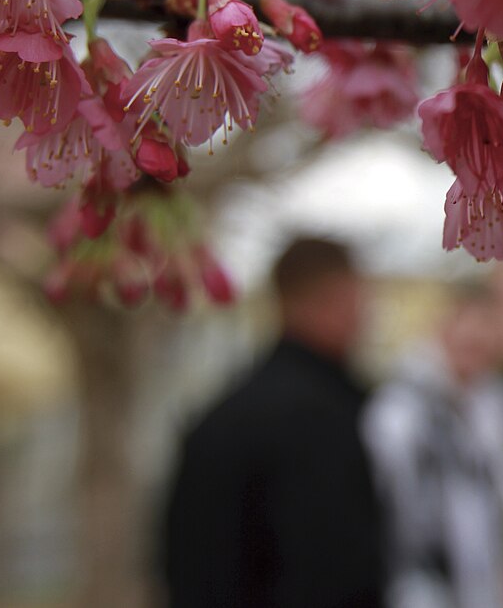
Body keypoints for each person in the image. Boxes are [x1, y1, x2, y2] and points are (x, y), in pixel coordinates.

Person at [161, 237, 384, 608]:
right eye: (360, 298)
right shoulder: (330, 417)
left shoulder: (220, 416)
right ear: (338, 297)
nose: (366, 314)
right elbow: (339, 566)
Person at [363, 280, 503, 608]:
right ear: (443, 331)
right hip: (420, 579)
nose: (476, 349)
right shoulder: (402, 405)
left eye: (485, 341)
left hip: (483, 575)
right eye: (468, 338)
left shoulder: (494, 401)